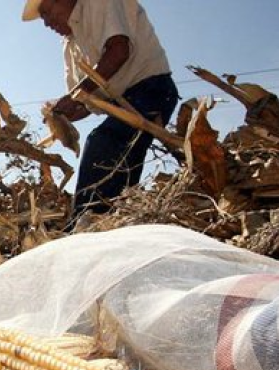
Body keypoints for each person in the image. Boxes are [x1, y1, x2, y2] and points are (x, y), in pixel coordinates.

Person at [22, 0, 179, 227]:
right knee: (119, 162)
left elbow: (118, 50)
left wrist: (77, 95)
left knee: (103, 142)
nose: (46, 23)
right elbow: (87, 101)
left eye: (46, 12)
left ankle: (88, 224)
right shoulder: (70, 44)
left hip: (151, 88)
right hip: (121, 104)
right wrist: (66, 112)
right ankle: (115, 221)